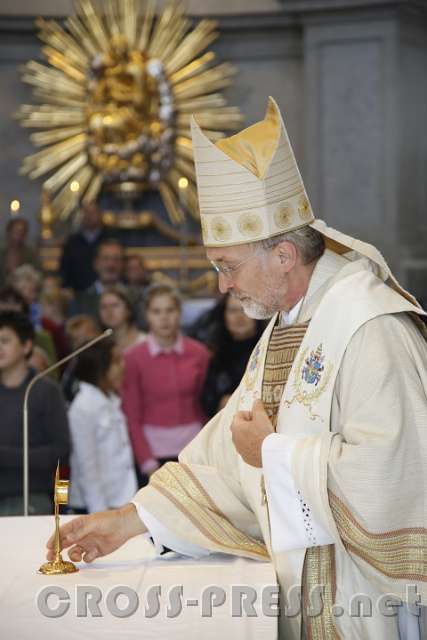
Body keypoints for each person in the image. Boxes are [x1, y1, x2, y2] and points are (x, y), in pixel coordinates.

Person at [47, 98, 427, 639]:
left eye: (228, 266)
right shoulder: (286, 324)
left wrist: (272, 452)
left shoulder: (370, 327)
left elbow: (396, 480)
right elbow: (225, 461)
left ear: (283, 257)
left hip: (363, 608)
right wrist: (128, 522)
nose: (223, 286)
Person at [122, 284, 210, 481]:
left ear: (179, 312)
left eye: (170, 310)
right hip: (153, 456)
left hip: (193, 453)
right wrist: (147, 462)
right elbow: (132, 416)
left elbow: (205, 405)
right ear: (147, 315)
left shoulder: (199, 353)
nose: (164, 318)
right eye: (156, 311)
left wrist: (206, 453)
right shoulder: (133, 358)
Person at [0, 311, 70, 515]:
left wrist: (5, 457)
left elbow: (61, 452)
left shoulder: (45, 391)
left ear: (26, 345)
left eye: (5, 341)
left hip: (30, 498)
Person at [68, 337, 137, 513]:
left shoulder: (110, 399)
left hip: (120, 499)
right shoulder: (83, 407)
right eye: (116, 361)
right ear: (99, 367)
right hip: (96, 506)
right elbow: (87, 468)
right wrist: (99, 513)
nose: (123, 366)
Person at [201, 292, 265, 417]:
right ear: (223, 315)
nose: (239, 317)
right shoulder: (212, 353)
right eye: (233, 311)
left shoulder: (267, 348)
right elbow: (205, 398)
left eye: (245, 310)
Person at [59, 202, 113, 293]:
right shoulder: (72, 242)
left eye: (93, 213)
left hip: (106, 290)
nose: (89, 217)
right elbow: (64, 270)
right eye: (86, 213)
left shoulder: (110, 239)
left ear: (100, 214)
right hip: (78, 292)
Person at [69, 238, 125, 318]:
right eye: (106, 259)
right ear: (96, 264)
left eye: (116, 259)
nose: (111, 265)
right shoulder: (80, 301)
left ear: (123, 264)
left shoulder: (135, 298)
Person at [98, 284, 145, 353]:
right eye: (104, 307)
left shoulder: (144, 342)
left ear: (128, 309)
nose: (109, 311)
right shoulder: (98, 347)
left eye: (114, 305)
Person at [0, 217, 41, 285]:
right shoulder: (2, 253)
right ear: (8, 232)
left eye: (22, 232)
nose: (18, 236)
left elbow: (39, 274)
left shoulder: (30, 254)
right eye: (15, 232)